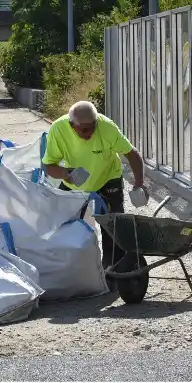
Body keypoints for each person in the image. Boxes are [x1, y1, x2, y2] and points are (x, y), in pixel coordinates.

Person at [42, 101, 146, 269]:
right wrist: (65, 174)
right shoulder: (58, 130)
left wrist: (139, 183)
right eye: (84, 130)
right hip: (76, 183)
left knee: (113, 224)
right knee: (63, 222)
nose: (90, 134)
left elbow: (132, 153)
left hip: (108, 177)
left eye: (92, 128)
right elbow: (48, 166)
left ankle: (113, 267)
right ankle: (69, 265)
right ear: (72, 125)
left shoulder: (106, 127)